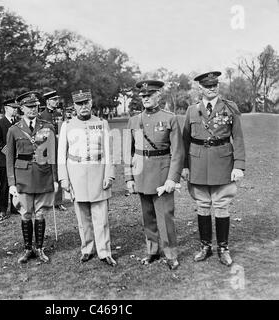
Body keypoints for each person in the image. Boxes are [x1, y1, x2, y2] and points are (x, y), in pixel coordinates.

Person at [182, 71, 245, 267]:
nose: (211, 88)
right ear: (200, 88)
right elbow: (185, 141)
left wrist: (239, 165)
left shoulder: (229, 107)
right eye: (207, 86)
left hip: (222, 162)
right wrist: (184, 167)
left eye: (214, 85)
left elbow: (239, 138)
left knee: (221, 205)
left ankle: (223, 248)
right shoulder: (192, 110)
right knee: (202, 205)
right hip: (197, 163)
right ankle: (205, 246)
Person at [124, 80, 184, 270]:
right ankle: (152, 250)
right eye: (143, 96)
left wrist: (172, 179)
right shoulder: (134, 120)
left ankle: (170, 253)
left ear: (159, 96)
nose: (146, 98)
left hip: (162, 173)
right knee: (147, 216)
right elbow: (128, 152)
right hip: (141, 172)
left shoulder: (170, 118)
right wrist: (128, 177)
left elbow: (178, 152)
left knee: (165, 217)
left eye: (150, 95)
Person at [58, 89, 117, 266]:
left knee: (101, 217)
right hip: (76, 174)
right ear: (74, 106)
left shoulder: (101, 123)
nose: (83, 107)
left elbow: (109, 152)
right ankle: (87, 249)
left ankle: (104, 251)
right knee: (82, 217)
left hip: (98, 172)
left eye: (86, 103)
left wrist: (109, 174)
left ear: (91, 103)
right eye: (79, 104)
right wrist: (64, 179)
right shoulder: (67, 125)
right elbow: (61, 154)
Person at [7, 91, 58, 264]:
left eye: (35, 106)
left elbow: (53, 155)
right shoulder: (14, 130)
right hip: (23, 176)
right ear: (21, 108)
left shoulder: (47, 126)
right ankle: (28, 248)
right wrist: (11, 182)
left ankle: (40, 248)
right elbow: (9, 158)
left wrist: (55, 178)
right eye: (29, 107)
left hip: (43, 174)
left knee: (41, 213)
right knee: (25, 213)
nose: (33, 110)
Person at [39, 89, 67, 211]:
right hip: (46, 148)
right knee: (46, 173)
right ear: (47, 101)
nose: (57, 102)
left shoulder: (59, 114)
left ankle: (58, 201)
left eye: (57, 99)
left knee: (58, 172)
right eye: (54, 100)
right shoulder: (41, 116)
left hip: (59, 147)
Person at [0, 98, 19, 221]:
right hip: (4, 159)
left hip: (17, 159)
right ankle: (2, 210)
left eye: (16, 108)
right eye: (13, 108)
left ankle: (15, 207)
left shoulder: (18, 122)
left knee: (16, 183)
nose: (16, 110)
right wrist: (9, 152)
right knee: (4, 185)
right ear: (6, 108)